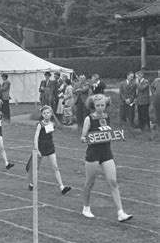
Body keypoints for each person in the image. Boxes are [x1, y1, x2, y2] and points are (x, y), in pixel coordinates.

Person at [80, 94, 132, 222]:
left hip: (107, 153)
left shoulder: (107, 117)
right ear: (93, 106)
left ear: (106, 105)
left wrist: (117, 136)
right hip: (93, 153)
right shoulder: (89, 118)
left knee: (113, 181)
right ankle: (86, 207)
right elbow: (83, 137)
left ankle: (120, 212)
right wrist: (86, 138)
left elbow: (108, 132)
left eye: (102, 105)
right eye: (98, 105)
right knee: (90, 182)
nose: (100, 107)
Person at [26, 105, 71, 194]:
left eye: (48, 113)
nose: (46, 115)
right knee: (35, 167)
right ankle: (31, 183)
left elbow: (52, 131)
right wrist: (37, 149)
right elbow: (36, 137)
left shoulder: (52, 124)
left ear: (51, 114)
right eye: (44, 113)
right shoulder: (40, 124)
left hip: (50, 146)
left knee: (55, 167)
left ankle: (62, 187)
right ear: (42, 114)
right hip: (41, 146)